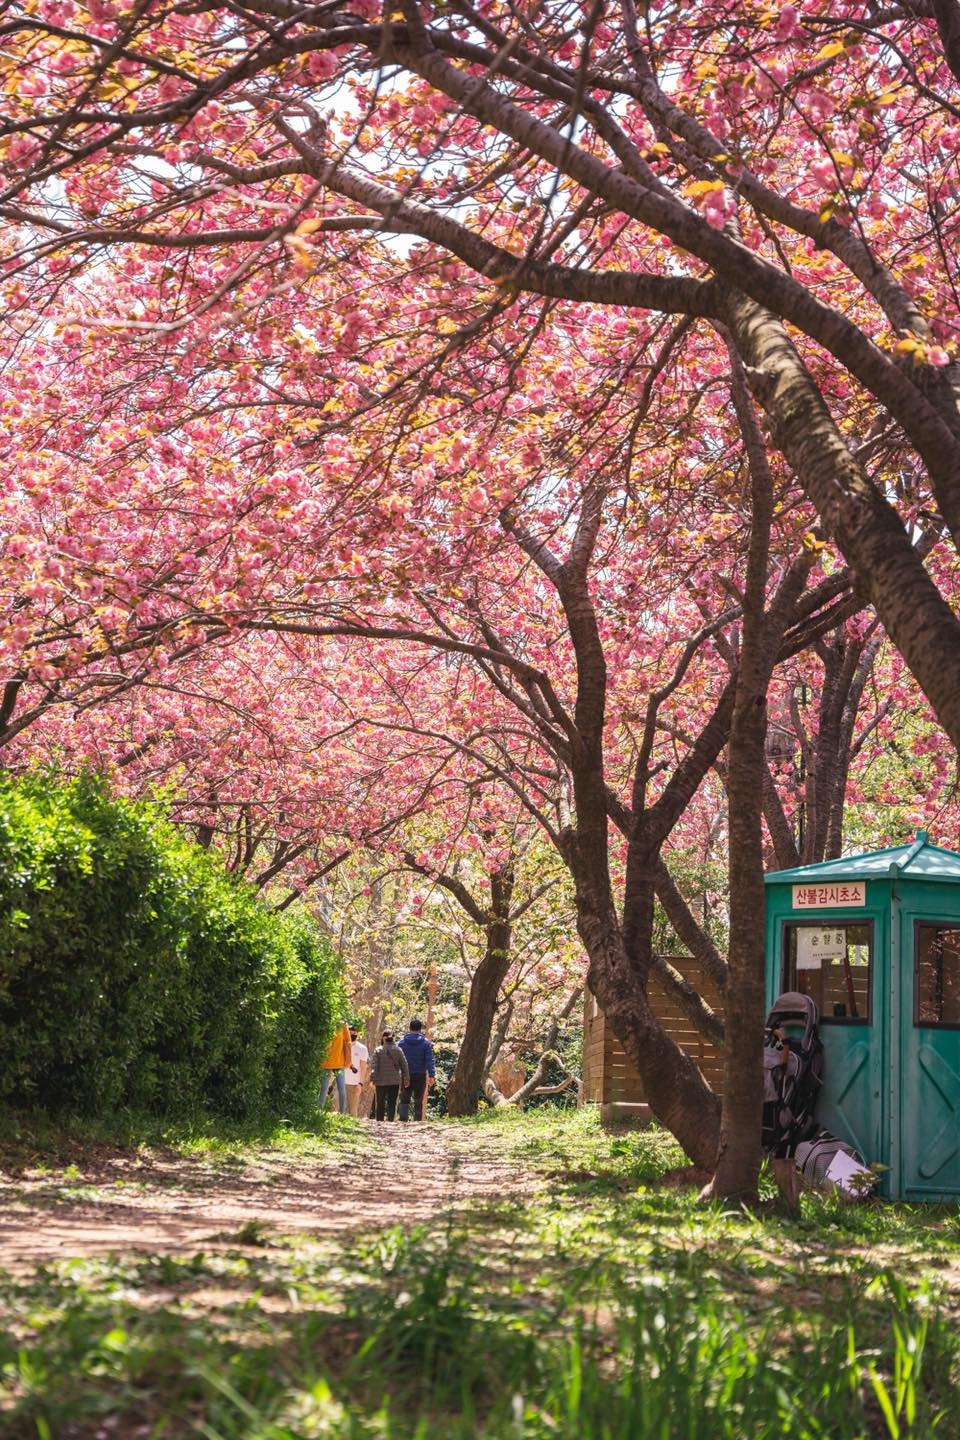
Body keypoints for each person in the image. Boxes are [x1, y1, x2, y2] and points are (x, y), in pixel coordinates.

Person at [398, 1017, 436, 1121]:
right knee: (418, 1100)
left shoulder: (401, 1043)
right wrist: (432, 1075)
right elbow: (429, 1060)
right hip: (420, 1075)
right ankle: (417, 1122)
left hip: (406, 1075)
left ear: (410, 1028)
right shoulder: (425, 1043)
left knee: (404, 1099)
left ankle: (403, 1121)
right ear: (420, 1029)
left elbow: (396, 1059)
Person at [370, 1030, 409, 1121]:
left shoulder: (378, 1050)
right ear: (393, 1039)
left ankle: (379, 1121)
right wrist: (406, 1078)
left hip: (380, 1081)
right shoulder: (399, 1050)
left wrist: (372, 1078)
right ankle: (390, 1120)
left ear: (383, 1039)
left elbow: (374, 1065)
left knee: (380, 1102)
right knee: (392, 1102)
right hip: (394, 1081)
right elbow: (404, 1065)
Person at [320, 1019, 352, 1113]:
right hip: (326, 1062)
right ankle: (319, 1112)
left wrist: (348, 1061)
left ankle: (342, 1113)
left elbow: (348, 1042)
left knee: (341, 1088)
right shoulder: (325, 1023)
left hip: (339, 1062)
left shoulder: (342, 1025)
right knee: (324, 1088)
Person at [343, 1024, 369, 1116]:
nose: (352, 1033)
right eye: (350, 1031)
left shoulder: (362, 1048)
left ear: (357, 1033)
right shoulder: (342, 1046)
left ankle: (352, 1129)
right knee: (336, 1104)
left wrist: (360, 1084)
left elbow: (363, 1068)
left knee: (353, 1111)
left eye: (354, 1032)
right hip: (341, 1081)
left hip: (354, 1084)